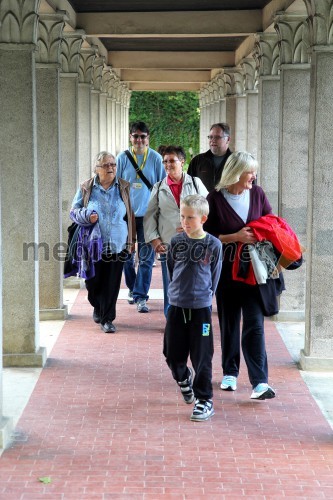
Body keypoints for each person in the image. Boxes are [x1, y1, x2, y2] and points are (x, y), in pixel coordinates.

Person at [204, 151, 276, 400]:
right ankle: (230, 372)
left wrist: (261, 233)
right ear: (236, 172)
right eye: (250, 171)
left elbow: (270, 223)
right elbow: (207, 235)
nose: (254, 176)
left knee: (255, 324)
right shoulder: (214, 199)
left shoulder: (257, 193)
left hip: (254, 272)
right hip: (226, 270)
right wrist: (235, 237)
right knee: (229, 322)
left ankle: (260, 382)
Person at [163, 195, 222, 421]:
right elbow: (171, 269)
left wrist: (204, 297)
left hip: (201, 311)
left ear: (203, 218)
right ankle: (183, 379)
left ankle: (204, 400)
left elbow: (214, 276)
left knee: (202, 356)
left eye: (190, 218)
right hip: (177, 307)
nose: (185, 222)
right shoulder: (176, 242)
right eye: (182, 217)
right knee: (171, 353)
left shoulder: (213, 245)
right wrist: (176, 294)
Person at [70, 151, 135, 334]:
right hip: (93, 245)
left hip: (118, 242)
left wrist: (131, 241)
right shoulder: (86, 187)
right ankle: (97, 306)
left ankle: (107, 318)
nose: (110, 168)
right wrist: (87, 217)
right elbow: (74, 211)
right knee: (93, 282)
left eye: (113, 165)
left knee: (112, 283)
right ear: (96, 169)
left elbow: (129, 215)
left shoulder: (123, 187)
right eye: (106, 165)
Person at [144, 146, 208, 317]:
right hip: (168, 245)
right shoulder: (158, 188)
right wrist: (154, 240)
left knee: (195, 281)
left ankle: (193, 317)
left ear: (182, 162)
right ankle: (171, 318)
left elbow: (208, 211)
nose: (168, 164)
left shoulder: (195, 183)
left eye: (172, 160)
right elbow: (150, 216)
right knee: (171, 284)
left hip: (195, 244)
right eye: (165, 161)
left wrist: (195, 227)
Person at [117, 121, 165, 313]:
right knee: (126, 257)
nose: (139, 140)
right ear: (131, 137)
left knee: (146, 258)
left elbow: (162, 186)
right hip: (126, 216)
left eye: (142, 136)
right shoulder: (122, 158)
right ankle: (132, 288)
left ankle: (140, 296)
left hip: (148, 216)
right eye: (135, 136)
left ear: (148, 138)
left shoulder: (155, 158)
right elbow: (116, 186)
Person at [187, 122, 232, 192]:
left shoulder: (236, 162)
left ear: (228, 139)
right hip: (203, 202)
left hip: (227, 202)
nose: (213, 140)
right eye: (210, 137)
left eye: (217, 137)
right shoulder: (197, 161)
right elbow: (188, 186)